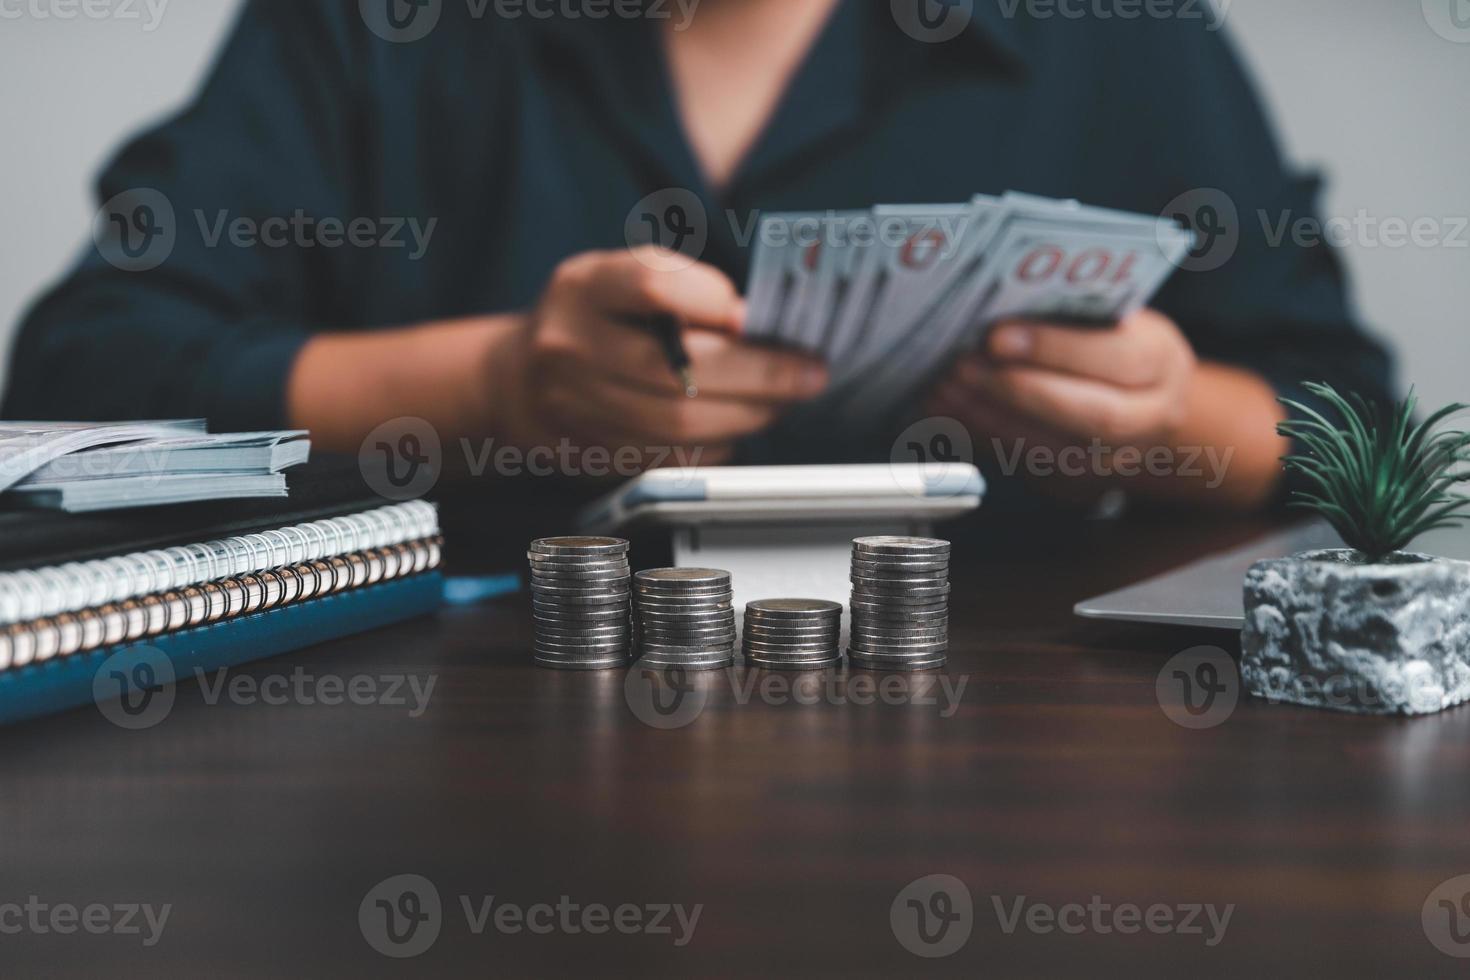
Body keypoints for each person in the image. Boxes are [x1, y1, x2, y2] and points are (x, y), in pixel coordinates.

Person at [2, 0, 1393, 512]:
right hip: (458, 753)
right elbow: (81, 380)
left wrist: (1165, 421)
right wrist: (491, 387)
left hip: (1016, 756)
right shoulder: (372, 27)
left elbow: (1360, 435)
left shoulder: (1121, 32)